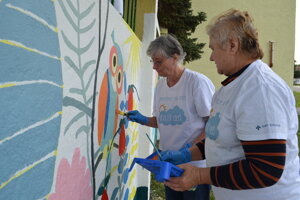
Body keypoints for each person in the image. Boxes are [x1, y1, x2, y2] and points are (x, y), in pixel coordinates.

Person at [161, 9, 300, 200]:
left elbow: (266, 169)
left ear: (233, 45)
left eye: (213, 48)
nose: (211, 57)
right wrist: (186, 154)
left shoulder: (260, 88)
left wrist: (200, 176)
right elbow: (218, 139)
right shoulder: (231, 86)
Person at [127, 34, 215, 200]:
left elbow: (213, 126)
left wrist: (188, 150)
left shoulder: (196, 83)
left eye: (158, 61)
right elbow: (163, 121)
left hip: (194, 166)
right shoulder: (161, 85)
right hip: (168, 165)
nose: (154, 66)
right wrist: (145, 119)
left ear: (175, 58)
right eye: (153, 61)